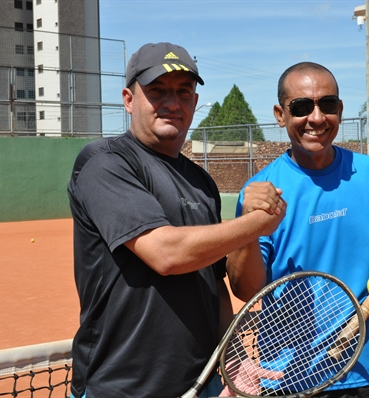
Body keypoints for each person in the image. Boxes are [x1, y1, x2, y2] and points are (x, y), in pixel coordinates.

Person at [67, 42, 285, 398]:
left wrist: (233, 357)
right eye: (157, 91)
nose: (172, 102)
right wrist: (258, 223)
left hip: (199, 385)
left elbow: (214, 288)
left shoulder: (202, 183)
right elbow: (166, 254)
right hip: (118, 388)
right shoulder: (105, 162)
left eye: (184, 92)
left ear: (195, 104)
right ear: (128, 99)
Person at [234, 62, 369, 397]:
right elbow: (246, 289)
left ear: (340, 110)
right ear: (280, 114)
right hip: (286, 380)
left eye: (328, 105)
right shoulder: (260, 189)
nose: (317, 118)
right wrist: (248, 228)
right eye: (302, 107)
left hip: (367, 373)